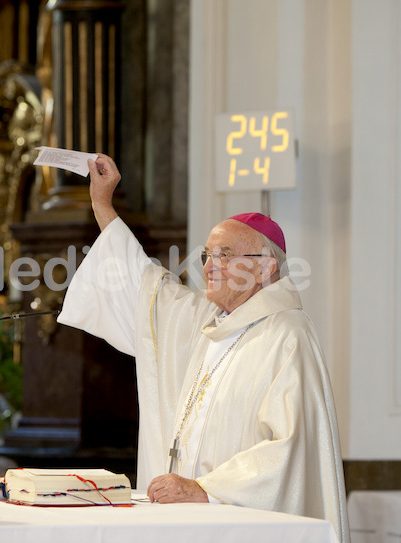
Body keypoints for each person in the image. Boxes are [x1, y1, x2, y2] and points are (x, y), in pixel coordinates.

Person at [58, 154, 349, 543]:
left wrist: (206, 489)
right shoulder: (205, 322)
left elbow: (290, 448)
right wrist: (102, 204)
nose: (210, 266)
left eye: (225, 255)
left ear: (265, 268)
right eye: (208, 255)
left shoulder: (286, 333)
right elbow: (142, 284)